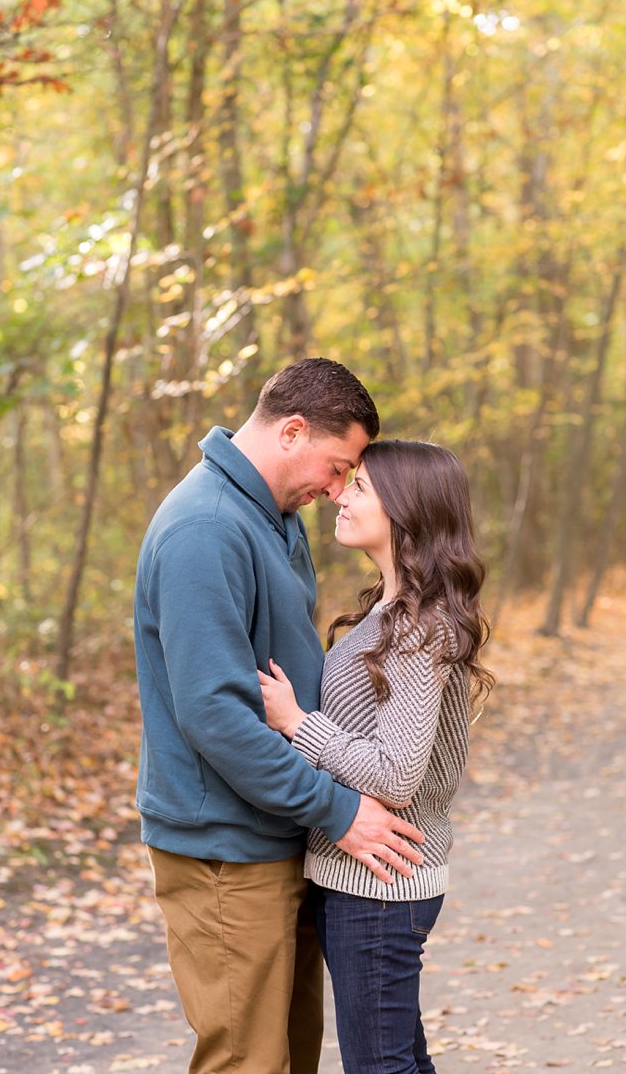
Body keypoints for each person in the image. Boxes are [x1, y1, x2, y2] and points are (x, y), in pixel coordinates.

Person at [134, 357, 428, 1074]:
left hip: (278, 835)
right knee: (246, 1060)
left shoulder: (272, 517)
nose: (337, 489)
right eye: (337, 466)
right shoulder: (204, 528)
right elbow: (216, 716)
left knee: (290, 1058)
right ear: (292, 430)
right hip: (225, 851)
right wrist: (337, 808)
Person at [258, 440, 493, 1073]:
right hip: (365, 880)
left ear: (407, 510)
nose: (339, 493)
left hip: (382, 885)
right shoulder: (390, 613)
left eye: (359, 487)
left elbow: (396, 774)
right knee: (399, 1061)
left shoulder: (423, 626)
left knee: (380, 1067)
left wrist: (296, 723)